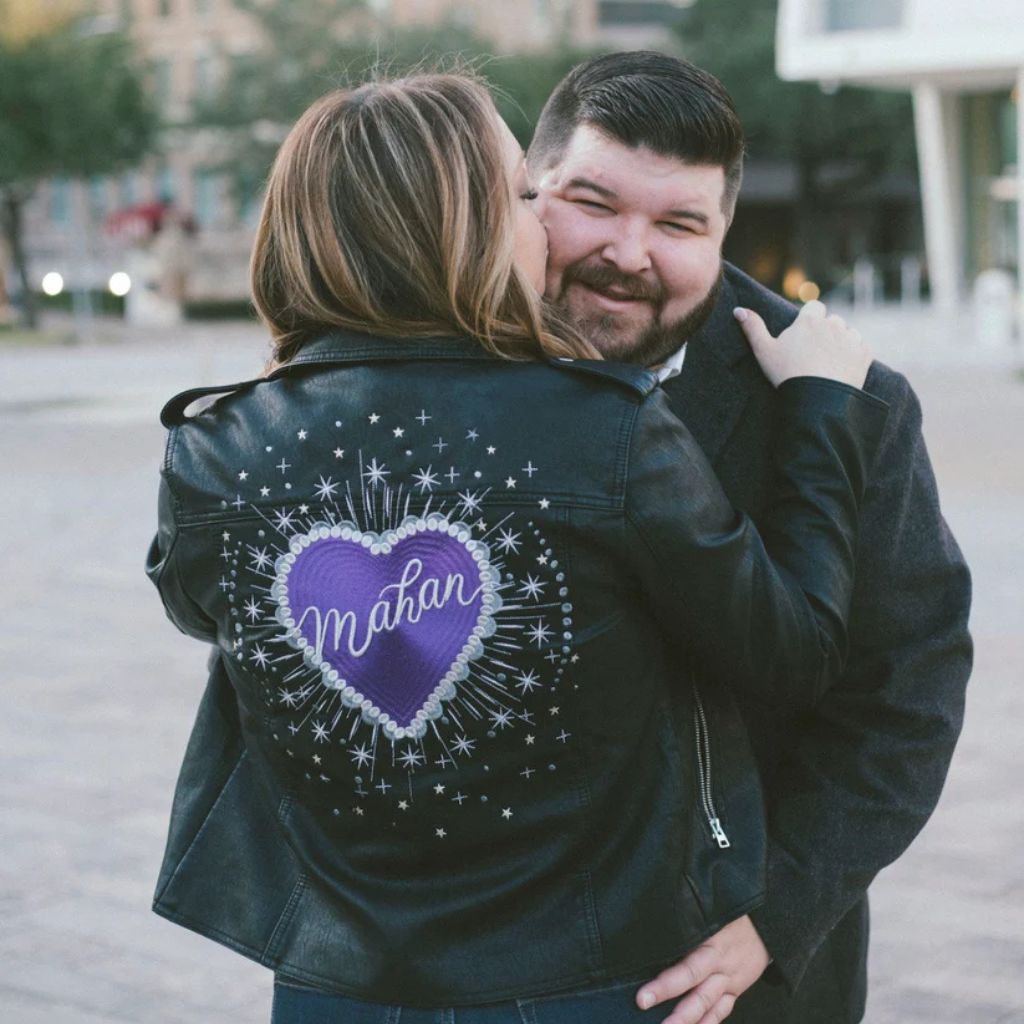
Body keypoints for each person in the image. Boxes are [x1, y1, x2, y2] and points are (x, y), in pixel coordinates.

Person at [144, 74, 888, 1022]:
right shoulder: (605, 429)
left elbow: (198, 610)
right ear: (463, 225)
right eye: (524, 193)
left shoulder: (211, 451)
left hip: (335, 980)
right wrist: (821, 413)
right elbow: (798, 653)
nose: (539, 219)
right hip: (583, 977)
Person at [528, 52, 973, 1023]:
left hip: (733, 971)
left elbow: (908, 692)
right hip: (488, 960)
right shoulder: (435, 362)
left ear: (724, 230)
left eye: (678, 224)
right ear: (530, 190)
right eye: (593, 204)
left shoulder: (854, 403)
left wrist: (777, 913)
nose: (629, 253)